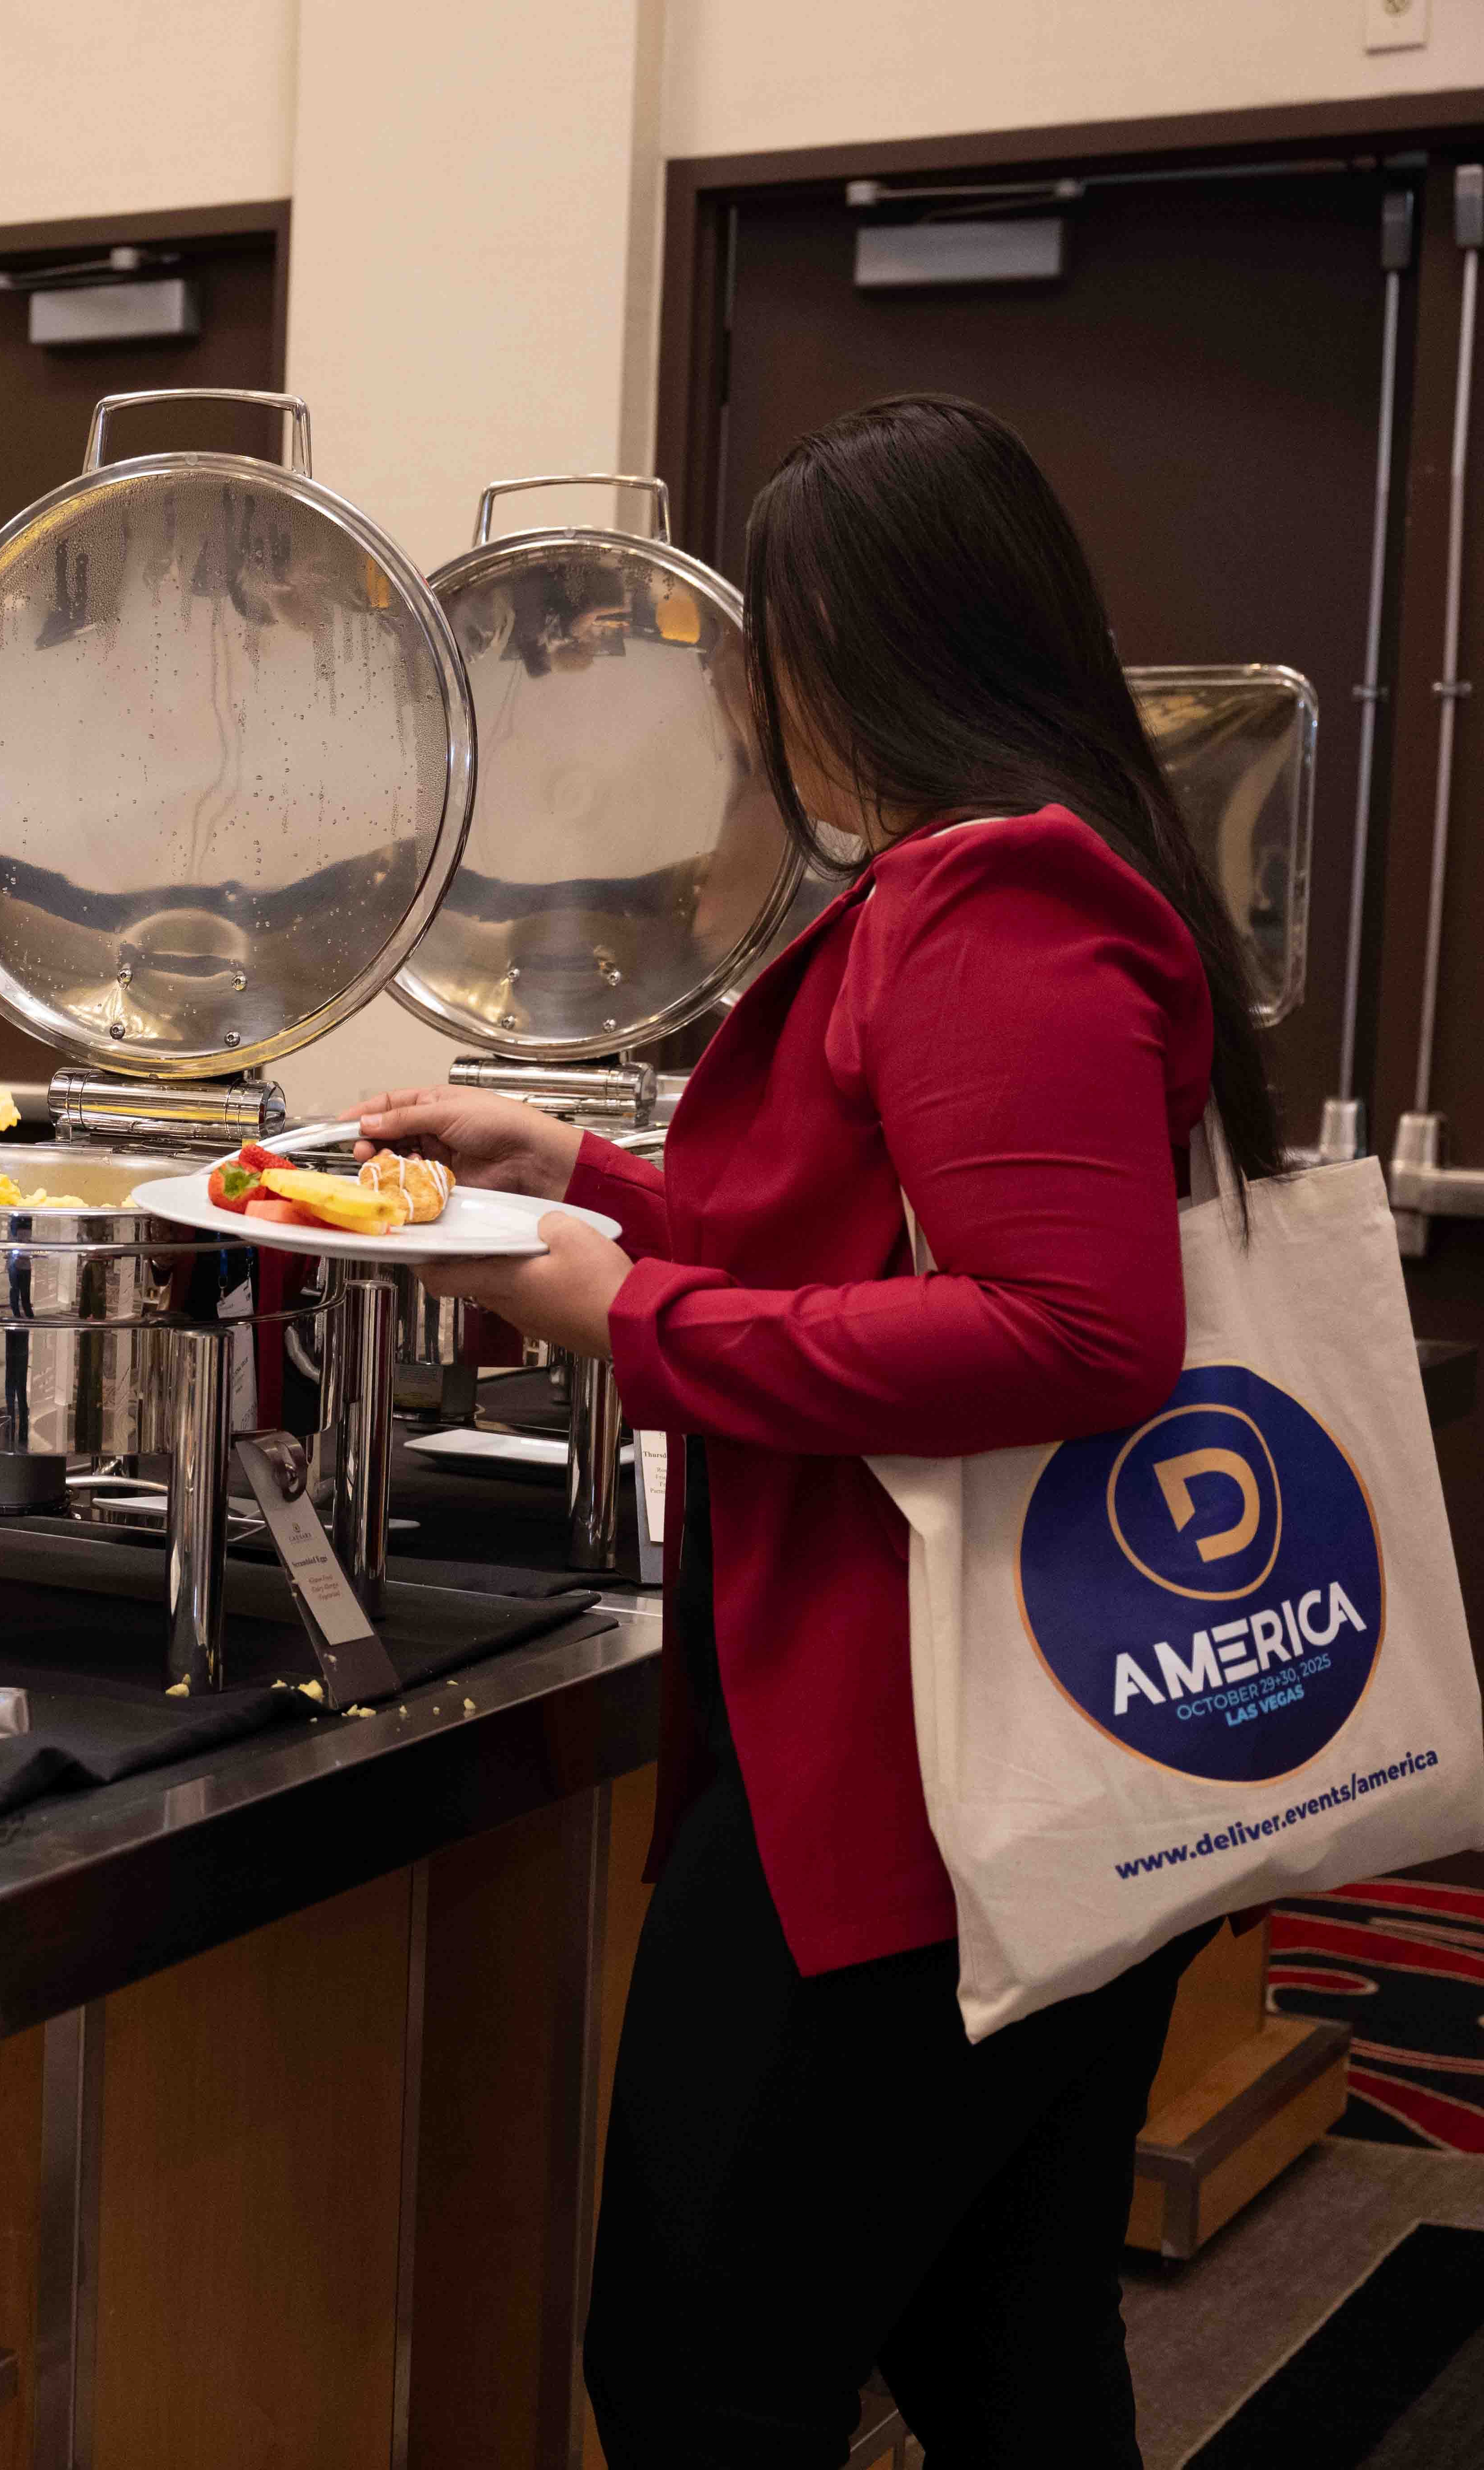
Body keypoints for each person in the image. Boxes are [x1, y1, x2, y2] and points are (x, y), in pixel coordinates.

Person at [360, 395, 1275, 2467]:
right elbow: (878, 1247)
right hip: (1021, 1774)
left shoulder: (991, 906)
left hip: (898, 1790)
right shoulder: (1046, 881)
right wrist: (586, 1182)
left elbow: (1062, 1327)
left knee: (698, 2374)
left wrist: (629, 1312)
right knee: (999, 2350)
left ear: (848, 654)